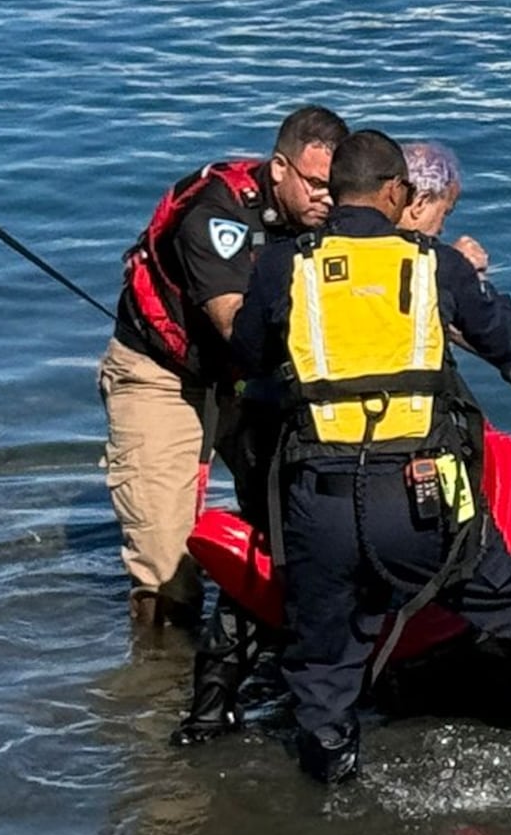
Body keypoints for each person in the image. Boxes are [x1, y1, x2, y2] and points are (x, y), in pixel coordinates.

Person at [226, 129, 511, 783]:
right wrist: (481, 281)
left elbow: (250, 358)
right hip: (426, 495)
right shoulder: (436, 263)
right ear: (397, 192)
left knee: (322, 667)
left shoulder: (286, 265)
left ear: (334, 191)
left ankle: (328, 807)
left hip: (323, 500)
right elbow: (501, 336)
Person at [100, 104, 346, 628]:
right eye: (317, 184)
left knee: (298, 522)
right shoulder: (216, 215)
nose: (328, 199)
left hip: (255, 380)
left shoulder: (332, 212)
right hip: (163, 378)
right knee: (167, 567)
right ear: (279, 168)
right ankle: (160, 682)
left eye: (337, 187)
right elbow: (233, 322)